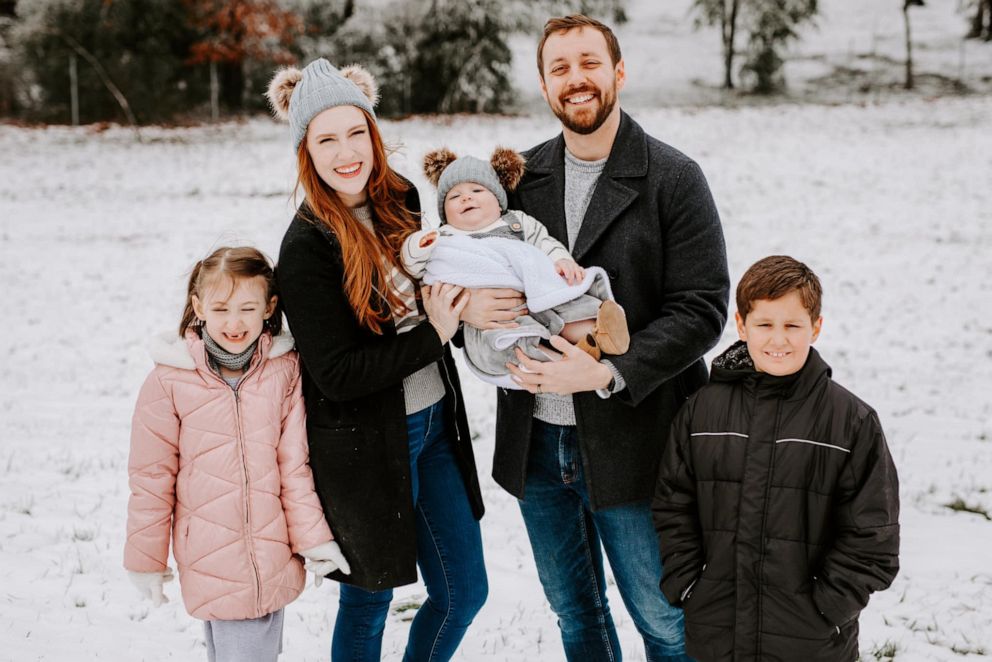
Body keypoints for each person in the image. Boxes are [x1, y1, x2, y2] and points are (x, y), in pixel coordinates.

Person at [459, 14, 730, 662]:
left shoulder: (673, 177)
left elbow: (702, 308)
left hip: (637, 442)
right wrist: (470, 301)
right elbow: (473, 258)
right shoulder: (518, 180)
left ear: (618, 72)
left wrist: (609, 372)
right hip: (537, 445)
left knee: (666, 622)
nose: (575, 79)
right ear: (545, 83)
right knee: (576, 616)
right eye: (560, 68)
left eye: (588, 63)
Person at [266, 59, 487, 662]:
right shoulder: (306, 246)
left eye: (355, 132)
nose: (346, 152)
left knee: (465, 590)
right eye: (326, 138)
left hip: (437, 423)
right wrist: (433, 336)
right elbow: (335, 376)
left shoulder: (403, 199)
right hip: (364, 444)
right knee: (369, 601)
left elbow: (433, 283)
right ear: (306, 150)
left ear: (373, 131)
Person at [652, 255, 900, 661]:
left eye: (792, 326)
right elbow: (672, 503)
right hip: (718, 630)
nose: (778, 340)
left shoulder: (851, 422)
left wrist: (829, 606)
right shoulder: (702, 411)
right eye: (765, 325)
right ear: (742, 324)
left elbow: (874, 534)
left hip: (811, 640)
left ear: (816, 328)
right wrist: (688, 582)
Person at [124, 246, 347, 662]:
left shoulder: (284, 371)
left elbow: (293, 466)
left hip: (271, 550)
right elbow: (152, 478)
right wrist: (146, 559)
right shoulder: (170, 381)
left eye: (248, 307)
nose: (234, 321)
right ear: (198, 308)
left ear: (270, 307)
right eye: (221, 308)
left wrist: (314, 540)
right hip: (210, 552)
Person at [401, 145, 630, 387]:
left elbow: (544, 241)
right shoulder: (444, 238)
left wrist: (561, 260)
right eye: (454, 196)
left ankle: (599, 333)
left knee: (566, 309)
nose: (466, 197)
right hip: (492, 321)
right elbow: (416, 268)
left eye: (477, 190)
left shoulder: (517, 221)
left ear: (499, 202)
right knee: (518, 339)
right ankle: (558, 360)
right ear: (445, 213)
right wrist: (418, 246)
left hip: (533, 293)